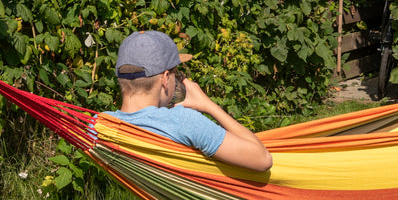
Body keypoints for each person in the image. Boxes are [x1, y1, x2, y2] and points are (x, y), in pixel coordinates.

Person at [103, 30, 273, 172]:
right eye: (176, 73)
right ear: (165, 78)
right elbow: (263, 159)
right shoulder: (184, 121)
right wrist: (208, 105)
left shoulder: (99, 127)